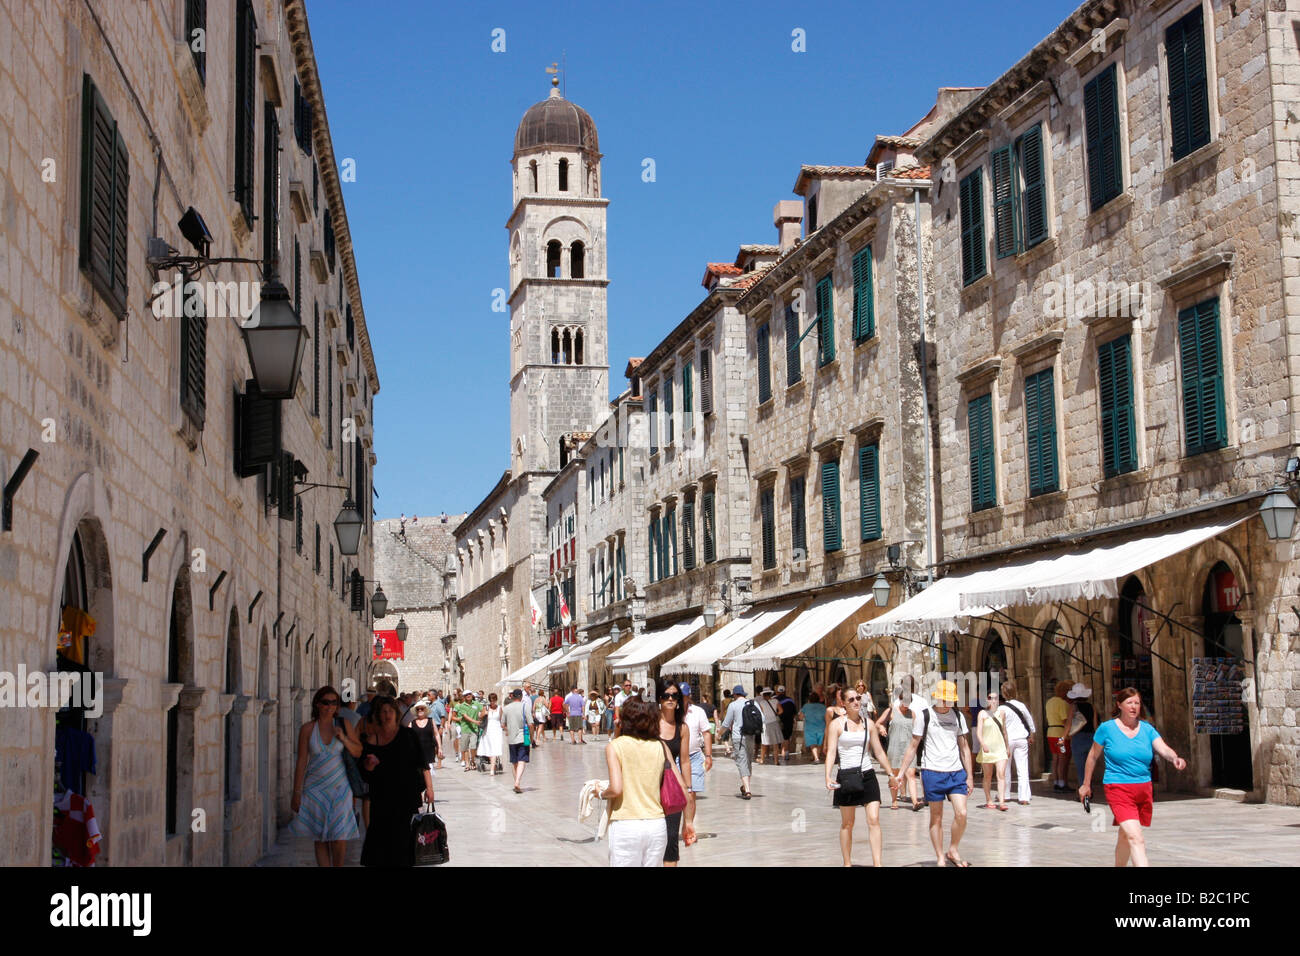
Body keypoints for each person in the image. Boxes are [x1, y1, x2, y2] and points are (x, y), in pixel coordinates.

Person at [1079, 686, 1186, 867]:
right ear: (1119, 705)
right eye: (1129, 703)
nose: (1134, 706)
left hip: (1143, 789)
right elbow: (1093, 756)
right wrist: (1086, 784)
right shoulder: (1107, 728)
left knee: (1125, 834)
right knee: (1136, 838)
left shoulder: (1147, 729)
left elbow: (1163, 748)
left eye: (1137, 703)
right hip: (1118, 788)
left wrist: (1174, 757)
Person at [894, 680, 975, 867]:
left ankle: (953, 849)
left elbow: (964, 748)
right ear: (937, 697)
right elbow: (913, 746)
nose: (947, 704)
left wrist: (969, 776)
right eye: (944, 700)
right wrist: (901, 773)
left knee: (961, 813)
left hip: (955, 772)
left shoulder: (958, 716)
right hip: (932, 771)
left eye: (950, 700)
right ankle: (940, 856)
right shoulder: (925, 716)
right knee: (936, 817)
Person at [598, 698, 687, 867]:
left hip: (626, 824)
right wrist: (688, 821)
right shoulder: (660, 746)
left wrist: (601, 792)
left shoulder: (615, 746)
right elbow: (681, 785)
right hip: (656, 825)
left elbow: (616, 789)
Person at [289, 686, 361, 866]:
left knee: (339, 836)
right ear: (317, 704)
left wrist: (343, 738)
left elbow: (358, 751)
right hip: (315, 789)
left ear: (337, 706)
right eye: (325, 702)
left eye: (334, 702)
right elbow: (301, 762)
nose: (329, 706)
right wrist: (296, 793)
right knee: (320, 837)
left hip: (340, 789)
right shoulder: (307, 729)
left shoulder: (343, 725)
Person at [358, 694, 432, 867]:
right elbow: (365, 774)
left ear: (396, 713)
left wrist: (429, 788)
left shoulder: (408, 735)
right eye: (383, 711)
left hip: (405, 798)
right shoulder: (372, 740)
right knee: (381, 845)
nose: (387, 714)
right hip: (381, 799)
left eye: (390, 710)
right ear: (378, 715)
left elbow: (422, 763)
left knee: (403, 843)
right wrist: (369, 766)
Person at [824, 684, 894, 866]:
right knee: (848, 823)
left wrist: (890, 774)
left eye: (858, 698)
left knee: (874, 819)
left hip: (867, 774)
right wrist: (828, 776)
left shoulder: (869, 724)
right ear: (843, 703)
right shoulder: (836, 725)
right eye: (851, 699)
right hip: (846, 775)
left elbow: (878, 751)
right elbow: (831, 752)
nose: (856, 702)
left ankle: (878, 863)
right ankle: (847, 863)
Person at [655, 678, 691, 866]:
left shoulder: (682, 728)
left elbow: (684, 761)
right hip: (650, 787)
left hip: (671, 787)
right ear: (659, 699)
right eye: (666, 695)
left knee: (671, 839)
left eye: (674, 696)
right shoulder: (651, 724)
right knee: (653, 839)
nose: (670, 699)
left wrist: (688, 789)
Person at [876, 694, 921, 810]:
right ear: (900, 700)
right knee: (894, 775)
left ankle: (915, 802)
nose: (906, 705)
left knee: (911, 774)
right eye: (904, 702)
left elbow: (917, 731)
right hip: (894, 747)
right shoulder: (891, 711)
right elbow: (878, 723)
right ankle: (894, 801)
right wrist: (881, 728)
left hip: (908, 748)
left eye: (908, 703)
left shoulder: (913, 714)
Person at [680, 682, 712, 843]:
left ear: (689, 696)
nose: (682, 699)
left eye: (685, 695)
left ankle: (688, 826)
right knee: (677, 794)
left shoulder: (698, 711)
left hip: (694, 756)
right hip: (675, 757)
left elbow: (706, 733)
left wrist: (708, 755)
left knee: (691, 794)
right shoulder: (671, 711)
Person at [999, 680, 1036, 805]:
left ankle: (1006, 794)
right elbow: (1029, 720)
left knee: (1005, 768)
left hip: (1007, 740)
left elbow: (999, 726)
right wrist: (1032, 734)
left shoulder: (1002, 708)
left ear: (1003, 693)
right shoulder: (1021, 705)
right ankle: (1024, 797)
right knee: (1023, 768)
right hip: (1021, 739)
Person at [718, 685, 756, 798]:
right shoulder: (752, 703)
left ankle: (747, 790)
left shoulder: (733, 705)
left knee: (741, 761)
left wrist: (719, 734)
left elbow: (726, 723)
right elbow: (762, 718)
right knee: (748, 761)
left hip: (738, 737)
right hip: (751, 736)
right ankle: (745, 786)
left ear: (735, 695)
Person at [975, 691, 1010, 811]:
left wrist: (1007, 747)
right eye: (990, 698)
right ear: (987, 700)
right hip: (988, 748)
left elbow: (1004, 731)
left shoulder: (1002, 713)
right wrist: (983, 744)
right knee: (988, 776)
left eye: (995, 698)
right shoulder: (982, 714)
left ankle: (1002, 801)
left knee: (1001, 774)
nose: (993, 700)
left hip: (1000, 748)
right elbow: (978, 732)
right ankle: (989, 799)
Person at [1067, 683, 1097, 788]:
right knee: (1090, 766)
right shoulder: (1091, 706)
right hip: (1091, 737)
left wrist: (1063, 737)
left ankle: (1083, 791)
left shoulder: (1073, 706)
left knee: (1080, 767)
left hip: (1078, 738)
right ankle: (1089, 788)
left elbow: (1069, 723)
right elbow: (1095, 724)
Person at [410, 699, 440, 798]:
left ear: (425, 710)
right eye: (418, 709)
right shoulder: (412, 723)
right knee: (418, 774)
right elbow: (408, 736)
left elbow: (436, 734)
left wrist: (440, 748)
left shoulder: (431, 721)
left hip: (428, 750)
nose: (420, 710)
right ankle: (419, 794)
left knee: (427, 772)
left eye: (422, 708)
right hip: (416, 752)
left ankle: (429, 792)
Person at [1046, 679, 1073, 790]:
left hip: (1051, 733)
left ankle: (1056, 781)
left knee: (1055, 758)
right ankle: (1062, 782)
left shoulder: (1049, 702)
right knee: (1062, 758)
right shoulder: (1062, 703)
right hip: (1061, 735)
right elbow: (1064, 720)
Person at [503, 689, 531, 793]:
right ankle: (517, 782)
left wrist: (508, 730)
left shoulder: (506, 708)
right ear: (521, 697)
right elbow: (531, 724)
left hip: (511, 738)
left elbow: (502, 724)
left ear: (513, 697)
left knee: (514, 761)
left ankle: (516, 782)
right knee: (522, 760)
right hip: (523, 737)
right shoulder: (525, 706)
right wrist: (531, 737)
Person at [455, 691, 482, 772]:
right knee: (465, 747)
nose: (468, 696)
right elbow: (465, 716)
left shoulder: (476, 704)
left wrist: (481, 716)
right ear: (464, 696)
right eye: (466, 695)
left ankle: (472, 760)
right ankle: (467, 763)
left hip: (474, 729)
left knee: (473, 746)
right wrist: (475, 721)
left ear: (472, 695)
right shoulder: (462, 706)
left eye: (469, 694)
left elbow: (483, 709)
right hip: (465, 729)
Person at [479, 692, 505, 774]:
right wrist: (485, 713)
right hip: (488, 731)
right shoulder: (486, 708)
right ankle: (493, 767)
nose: (492, 702)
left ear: (496, 700)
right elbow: (480, 717)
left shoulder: (500, 708)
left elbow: (502, 720)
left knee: (495, 748)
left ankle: (492, 769)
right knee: (490, 749)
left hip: (497, 731)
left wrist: (506, 729)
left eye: (494, 700)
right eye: (491, 700)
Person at [757, 688, 784, 764]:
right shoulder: (776, 701)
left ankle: (762, 759)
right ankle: (776, 761)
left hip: (766, 724)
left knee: (764, 743)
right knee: (775, 743)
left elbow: (761, 714)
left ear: (763, 695)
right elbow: (781, 711)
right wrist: (775, 715)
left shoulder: (762, 703)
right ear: (770, 694)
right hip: (774, 722)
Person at [800, 691, 827, 763]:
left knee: (812, 743)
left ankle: (816, 758)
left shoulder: (806, 706)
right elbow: (826, 717)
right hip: (821, 727)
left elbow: (800, 717)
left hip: (810, 728)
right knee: (819, 743)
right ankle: (816, 756)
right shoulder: (823, 707)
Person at [776, 686, 797, 761]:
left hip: (778, 721)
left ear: (777, 692)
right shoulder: (790, 700)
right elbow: (794, 712)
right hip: (788, 721)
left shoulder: (774, 700)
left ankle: (781, 753)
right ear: (785, 692)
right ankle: (786, 753)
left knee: (779, 737)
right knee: (786, 738)